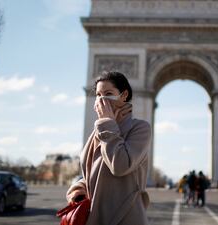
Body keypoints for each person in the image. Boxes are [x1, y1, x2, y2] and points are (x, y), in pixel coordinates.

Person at [65, 71, 152, 225]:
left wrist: (107, 123)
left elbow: (120, 166)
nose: (102, 99)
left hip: (126, 217)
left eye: (108, 93)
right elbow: (91, 174)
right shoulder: (97, 132)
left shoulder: (140, 128)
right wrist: (79, 189)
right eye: (98, 95)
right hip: (94, 217)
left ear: (124, 95)